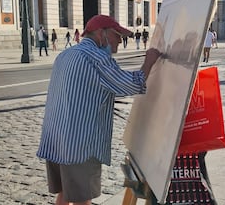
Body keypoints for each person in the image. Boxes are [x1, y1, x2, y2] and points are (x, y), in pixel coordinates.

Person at [36, 14, 161, 205]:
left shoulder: (66, 54)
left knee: (63, 194)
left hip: (55, 138)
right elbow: (131, 84)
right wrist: (149, 61)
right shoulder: (96, 56)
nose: (121, 40)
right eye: (117, 35)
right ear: (101, 34)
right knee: (81, 199)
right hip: (79, 145)